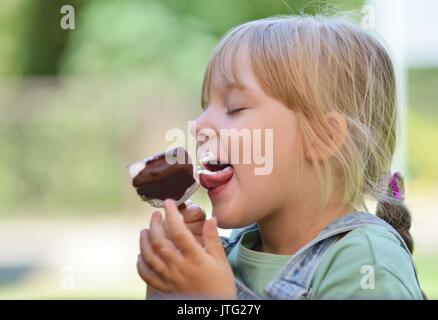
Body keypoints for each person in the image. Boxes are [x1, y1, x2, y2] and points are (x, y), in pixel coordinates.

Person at [137, 15, 424, 299]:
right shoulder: (226, 257)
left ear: (323, 137)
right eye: (204, 106)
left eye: (235, 107)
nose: (198, 125)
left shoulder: (366, 263)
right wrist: (171, 289)